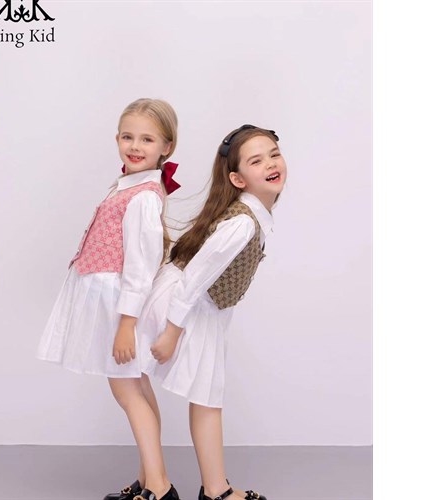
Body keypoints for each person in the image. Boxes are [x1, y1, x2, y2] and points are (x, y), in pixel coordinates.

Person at [36, 98, 181, 500]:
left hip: (118, 305)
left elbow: (141, 265)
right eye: (127, 136)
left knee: (127, 392)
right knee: (137, 387)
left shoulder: (144, 196)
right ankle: (150, 478)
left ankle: (159, 487)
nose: (135, 146)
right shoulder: (127, 186)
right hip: (109, 299)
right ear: (116, 138)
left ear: (166, 146)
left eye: (147, 139)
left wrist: (126, 324)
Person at [139, 124, 287, 500]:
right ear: (237, 178)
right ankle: (206, 489)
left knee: (207, 394)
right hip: (186, 304)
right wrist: (172, 332)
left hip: (204, 307)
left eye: (274, 154)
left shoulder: (253, 215)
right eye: (257, 160)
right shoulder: (242, 223)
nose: (271, 164)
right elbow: (194, 278)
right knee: (203, 394)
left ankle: (212, 488)